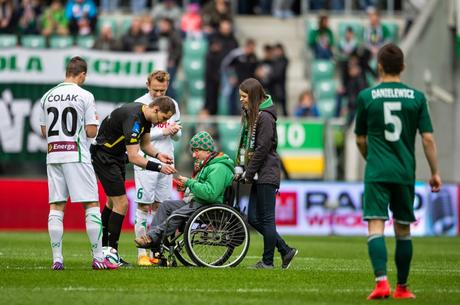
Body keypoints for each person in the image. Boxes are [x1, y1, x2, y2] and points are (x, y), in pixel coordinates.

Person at [354, 43, 442, 300]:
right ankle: (402, 288)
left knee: (375, 226)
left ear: (379, 67)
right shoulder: (416, 98)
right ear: (403, 67)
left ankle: (381, 282)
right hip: (404, 172)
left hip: (377, 172)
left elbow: (359, 139)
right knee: (403, 230)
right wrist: (435, 172)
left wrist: (371, 159)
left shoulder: (366, 97)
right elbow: (427, 139)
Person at [39, 56, 118, 271]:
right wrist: (94, 122)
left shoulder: (47, 96)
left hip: (54, 154)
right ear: (82, 74)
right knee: (91, 203)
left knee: (56, 206)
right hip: (76, 154)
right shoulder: (85, 95)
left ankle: (57, 259)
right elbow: (92, 131)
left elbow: (44, 131)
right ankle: (98, 257)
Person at [91, 96, 177, 266]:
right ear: (155, 109)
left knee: (111, 202)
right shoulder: (134, 120)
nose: (163, 122)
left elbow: (145, 145)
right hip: (104, 156)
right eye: (164, 118)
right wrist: (159, 167)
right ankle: (111, 253)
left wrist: (159, 155)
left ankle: (103, 249)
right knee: (121, 204)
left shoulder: (145, 116)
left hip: (115, 156)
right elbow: (134, 157)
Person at [134, 131, 234, 252]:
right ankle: (155, 244)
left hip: (207, 205)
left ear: (207, 150)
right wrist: (187, 187)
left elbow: (210, 194)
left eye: (196, 151)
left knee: (177, 215)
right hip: (198, 202)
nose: (194, 155)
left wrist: (189, 183)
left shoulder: (218, 168)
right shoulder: (209, 165)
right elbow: (204, 188)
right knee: (165, 206)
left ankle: (151, 237)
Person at [235, 78, 297, 269]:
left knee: (267, 219)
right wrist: (242, 168)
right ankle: (285, 250)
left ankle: (268, 262)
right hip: (257, 174)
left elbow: (262, 149)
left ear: (253, 96)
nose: (241, 100)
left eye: (244, 97)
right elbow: (248, 145)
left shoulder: (266, 117)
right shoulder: (254, 115)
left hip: (266, 174)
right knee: (253, 218)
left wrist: (249, 171)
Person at [133, 70, 182, 266]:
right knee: (144, 206)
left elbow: (178, 136)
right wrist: (162, 133)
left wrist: (175, 131)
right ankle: (142, 254)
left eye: (162, 90)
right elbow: (137, 138)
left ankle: (157, 252)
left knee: (161, 208)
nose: (159, 94)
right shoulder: (139, 104)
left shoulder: (172, 104)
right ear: (148, 85)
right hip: (146, 161)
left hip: (167, 160)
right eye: (155, 90)